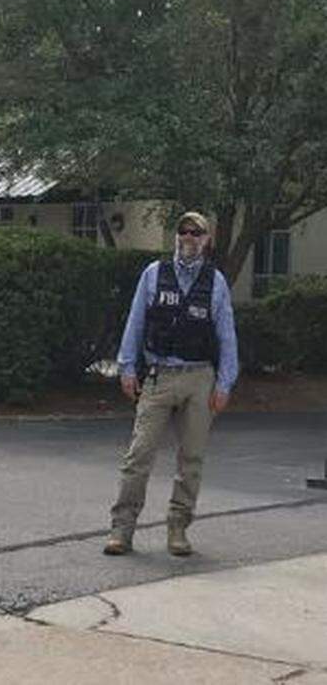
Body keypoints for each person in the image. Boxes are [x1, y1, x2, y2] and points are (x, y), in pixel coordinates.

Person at [104, 211, 238, 557]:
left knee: (191, 459)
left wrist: (224, 384)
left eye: (197, 232)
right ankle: (122, 529)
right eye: (184, 231)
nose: (189, 237)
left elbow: (227, 337)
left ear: (206, 240)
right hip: (159, 376)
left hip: (199, 379)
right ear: (176, 236)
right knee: (138, 455)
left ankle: (178, 528)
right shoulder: (154, 274)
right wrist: (128, 368)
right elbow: (135, 323)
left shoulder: (216, 282)